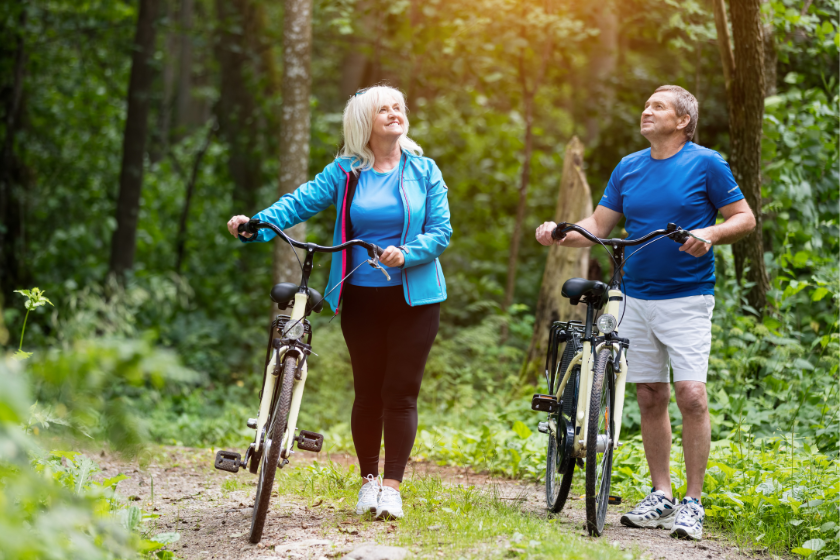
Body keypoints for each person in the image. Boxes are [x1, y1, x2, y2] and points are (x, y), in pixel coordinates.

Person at [535, 85, 755, 541]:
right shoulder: (629, 167)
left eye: (659, 106)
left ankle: (692, 502)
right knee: (651, 395)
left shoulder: (706, 163)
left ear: (682, 121)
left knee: (691, 395)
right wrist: (560, 233)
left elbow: (744, 218)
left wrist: (711, 233)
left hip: (687, 298)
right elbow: (598, 226)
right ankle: (661, 494)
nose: (647, 110)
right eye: (647, 104)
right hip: (633, 296)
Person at [227, 85, 451, 521]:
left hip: (417, 298)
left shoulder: (424, 170)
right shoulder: (345, 172)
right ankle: (368, 483)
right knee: (368, 391)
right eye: (382, 109)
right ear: (363, 122)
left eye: (397, 107)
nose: (393, 114)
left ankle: (392, 488)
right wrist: (258, 224)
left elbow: (441, 231)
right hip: (361, 295)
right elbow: (300, 201)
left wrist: (408, 252)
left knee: (400, 392)